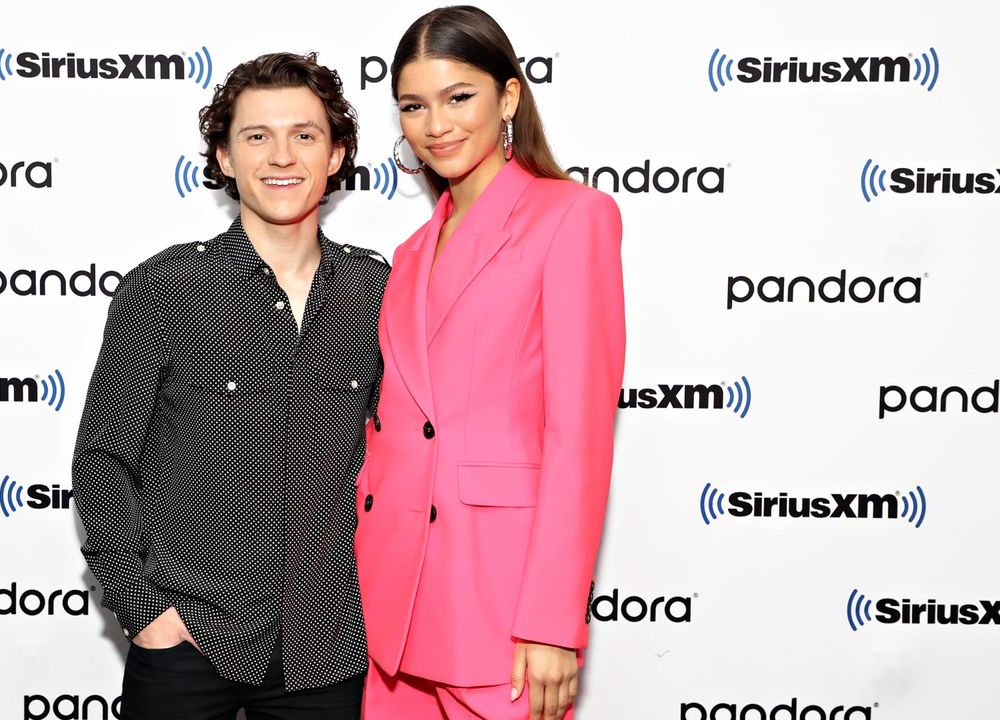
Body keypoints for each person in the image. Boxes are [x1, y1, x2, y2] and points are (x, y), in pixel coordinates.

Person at [71, 52, 387, 720]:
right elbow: (102, 461)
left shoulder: (378, 291)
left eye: (304, 134)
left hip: (328, 650)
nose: (282, 156)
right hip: (189, 641)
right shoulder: (166, 288)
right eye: (256, 136)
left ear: (336, 155)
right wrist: (144, 611)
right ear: (222, 156)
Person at [353, 7, 626, 720]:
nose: (435, 124)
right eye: (413, 106)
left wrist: (549, 623)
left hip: (499, 606)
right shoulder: (411, 255)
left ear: (508, 98)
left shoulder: (573, 216)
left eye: (458, 97)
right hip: (393, 610)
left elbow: (579, 435)